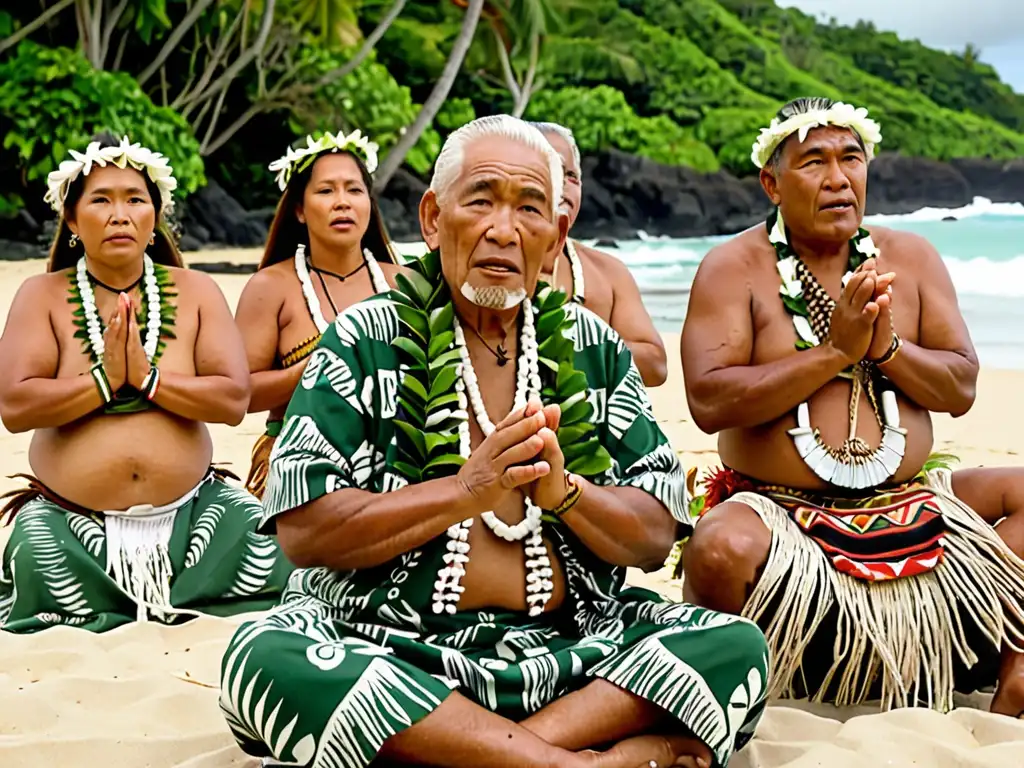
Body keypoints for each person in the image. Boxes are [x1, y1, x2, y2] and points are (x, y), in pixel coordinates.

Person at [218, 116, 768, 768]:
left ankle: (477, 753)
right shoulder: (362, 340)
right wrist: (466, 490)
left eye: (530, 208)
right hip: (393, 649)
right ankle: (572, 763)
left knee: (733, 645)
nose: (503, 230)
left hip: (577, 651)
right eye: (481, 200)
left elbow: (653, 538)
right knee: (264, 655)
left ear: (556, 235)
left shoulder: (594, 351)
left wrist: (566, 495)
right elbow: (306, 536)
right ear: (431, 218)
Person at [679, 97, 1024, 718]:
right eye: (814, 162)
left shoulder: (911, 259)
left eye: (851, 159)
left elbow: (961, 389)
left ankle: (1018, 669)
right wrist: (833, 352)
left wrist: (886, 347)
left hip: (913, 498)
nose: (838, 178)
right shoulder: (735, 269)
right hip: (779, 514)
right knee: (716, 547)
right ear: (772, 184)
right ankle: (728, 695)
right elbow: (708, 401)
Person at [0, 133, 293, 633]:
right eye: (101, 200)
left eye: (135, 199)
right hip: (71, 523)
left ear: (154, 216)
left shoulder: (196, 290)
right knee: (31, 548)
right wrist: (105, 380)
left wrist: (148, 379)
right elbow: (15, 406)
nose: (120, 214)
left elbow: (231, 399)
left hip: (196, 514)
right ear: (72, 220)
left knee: (270, 541)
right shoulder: (41, 295)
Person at [236, 130, 405, 499]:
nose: (342, 202)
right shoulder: (271, 288)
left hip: (399, 466)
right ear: (299, 208)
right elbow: (237, 396)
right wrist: (316, 369)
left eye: (354, 190)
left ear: (370, 204)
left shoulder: (406, 284)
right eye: (326, 191)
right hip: (296, 468)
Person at [528, 121, 668, 387]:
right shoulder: (491, 266)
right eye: (552, 169)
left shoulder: (608, 272)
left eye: (572, 176)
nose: (564, 185)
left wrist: (569, 344)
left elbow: (655, 365)